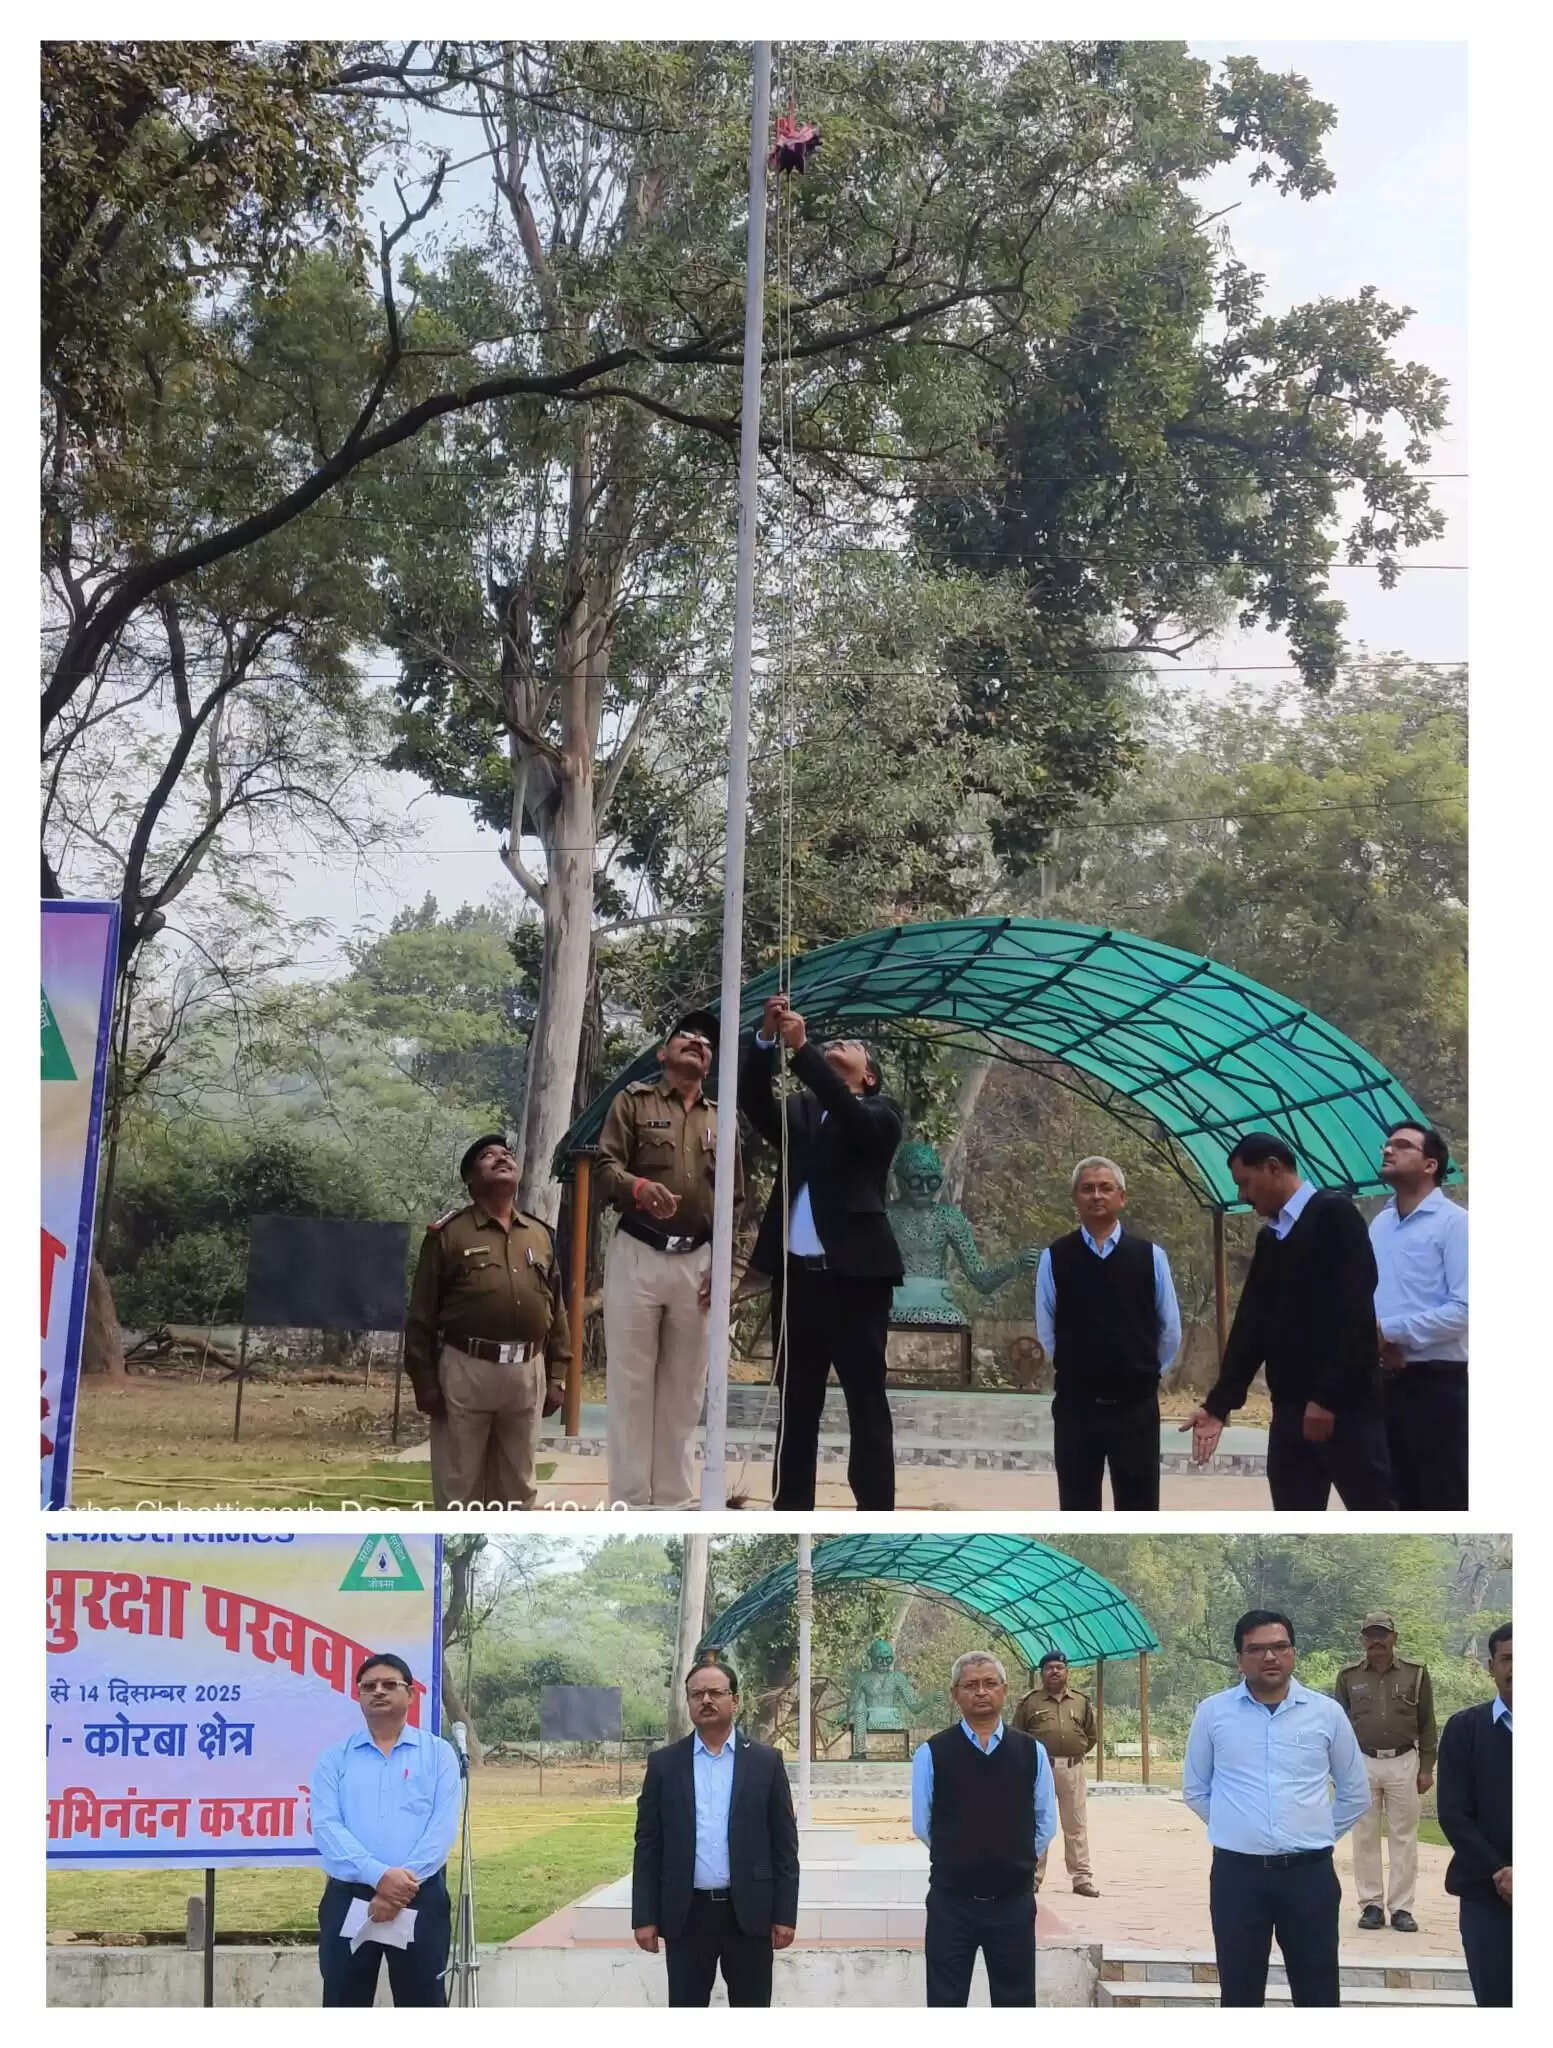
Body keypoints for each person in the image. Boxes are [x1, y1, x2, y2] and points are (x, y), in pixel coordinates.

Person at [739, 994, 904, 1509]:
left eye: (853, 1046)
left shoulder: (882, 1115)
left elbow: (852, 1119)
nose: (842, 1044)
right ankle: (791, 1507)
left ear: (869, 1077)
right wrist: (767, 1040)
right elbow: (754, 1101)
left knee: (866, 1399)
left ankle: (875, 1508)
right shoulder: (801, 1111)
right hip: (799, 1281)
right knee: (797, 1402)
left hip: (857, 1280)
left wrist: (804, 1049)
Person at [1181, 1132, 1395, 1510]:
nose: (1243, 1197)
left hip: (1345, 1408)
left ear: (1274, 1168)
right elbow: (1252, 1326)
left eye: (1245, 1183)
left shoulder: (1334, 1215)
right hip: (1290, 1409)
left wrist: (1326, 1399)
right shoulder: (1271, 1238)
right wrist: (1219, 1405)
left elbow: (1355, 1312)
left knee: (1374, 1508)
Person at [1183, 1609, 1370, 2006]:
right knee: (1239, 1992)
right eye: (1257, 1649)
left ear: (1293, 1653)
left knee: (1317, 1992)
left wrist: (1312, 1832)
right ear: (1239, 1659)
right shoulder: (1214, 1713)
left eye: (1280, 1647)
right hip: (1238, 1878)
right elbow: (1195, 1789)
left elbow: (1355, 1792)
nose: (1270, 1657)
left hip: (1309, 1877)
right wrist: (1241, 1827)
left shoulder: (1326, 1713)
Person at [595, 1010, 745, 1508]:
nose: (698, 1042)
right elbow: (605, 1165)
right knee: (632, 1384)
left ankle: (676, 1502)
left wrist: (727, 1268)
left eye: (706, 1041)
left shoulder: (722, 1118)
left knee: (685, 1390)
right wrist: (637, 1186)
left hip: (698, 1261)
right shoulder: (632, 1103)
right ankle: (631, 1501)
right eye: (687, 1036)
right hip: (638, 1252)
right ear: (662, 1053)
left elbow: (736, 1200)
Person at [404, 1133, 571, 1508]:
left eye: (507, 1154)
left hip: (527, 1373)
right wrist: (425, 1381)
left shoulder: (540, 1235)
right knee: (458, 1485)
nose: (501, 1158)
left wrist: (558, 1374)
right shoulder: (449, 1234)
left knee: (518, 1487)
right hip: (467, 1370)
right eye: (487, 1156)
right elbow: (421, 1315)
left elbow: (556, 1310)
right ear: (470, 1179)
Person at [631, 1658, 799, 2006]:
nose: (705, 1700)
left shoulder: (766, 1762)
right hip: (686, 1915)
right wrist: (644, 1917)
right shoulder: (665, 1765)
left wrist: (784, 1914)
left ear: (734, 1700)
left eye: (715, 1692)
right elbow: (648, 1845)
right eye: (696, 1694)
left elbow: (784, 1846)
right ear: (689, 1702)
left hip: (749, 1915)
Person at [309, 1653, 461, 2007]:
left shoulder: (439, 1755)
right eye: (369, 1686)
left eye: (390, 1684)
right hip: (348, 1897)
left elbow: (440, 1829)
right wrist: (380, 1877)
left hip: (420, 1896)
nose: (379, 1691)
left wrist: (398, 1889)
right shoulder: (335, 1759)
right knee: (344, 2002)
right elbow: (327, 1827)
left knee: (422, 2004)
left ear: (411, 1695)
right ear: (359, 1696)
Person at [911, 1651, 1057, 2007]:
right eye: (971, 1685)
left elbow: (1045, 1824)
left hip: (1012, 1903)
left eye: (990, 1683)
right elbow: (923, 1824)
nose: (981, 1692)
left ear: (1004, 1691)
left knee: (1015, 2001)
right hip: (952, 1903)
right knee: (946, 2001)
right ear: (954, 1694)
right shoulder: (932, 1753)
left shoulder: (1031, 1752)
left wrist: (1010, 1860)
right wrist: (963, 1856)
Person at [1035, 1156, 1181, 1510]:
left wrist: (1139, 1370)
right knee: (1077, 1504)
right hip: (1076, 1408)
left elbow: (1170, 1331)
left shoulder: (1151, 1257)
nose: (1096, 1195)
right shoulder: (1054, 1257)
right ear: (1075, 1198)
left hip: (1135, 1408)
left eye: (1105, 1188)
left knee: (1139, 1506)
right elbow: (1047, 1329)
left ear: (1121, 1198)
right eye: (1087, 1188)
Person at [1370, 1121, 1469, 1510]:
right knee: (1392, 1498)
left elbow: (1465, 1310)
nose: (1387, 1151)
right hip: (1383, 1380)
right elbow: (1368, 1297)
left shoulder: (1456, 1224)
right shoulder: (1379, 1225)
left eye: (1402, 1146)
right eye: (1386, 1145)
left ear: (1430, 1165)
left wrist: (1389, 1333)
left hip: (1437, 1387)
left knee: (1441, 1497)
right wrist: (1378, 1345)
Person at [1334, 1611, 1436, 1933]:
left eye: (1382, 1634)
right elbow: (1338, 1727)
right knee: (1364, 1836)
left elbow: (1427, 1724)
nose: (1376, 1641)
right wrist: (1340, 1769)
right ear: (1362, 1640)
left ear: (1394, 1637)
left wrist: (1427, 1768)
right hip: (1362, 1762)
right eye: (1369, 1635)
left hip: (1404, 1761)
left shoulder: (1415, 1675)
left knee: (1403, 1837)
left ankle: (1402, 1908)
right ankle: (1372, 1906)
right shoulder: (1348, 1677)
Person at [1437, 1621, 1512, 2006]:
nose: (1516, 1668)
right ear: (1491, 1666)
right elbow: (1452, 1812)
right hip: (1488, 1895)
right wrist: (1501, 1871)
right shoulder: (1465, 1729)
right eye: (1508, 1658)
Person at [1013, 1649, 1100, 1897]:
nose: (1054, 1671)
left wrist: (1075, 1753)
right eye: (1049, 1668)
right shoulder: (1030, 1702)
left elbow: (1091, 1735)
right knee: (1038, 1824)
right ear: (1042, 1673)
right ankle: (1032, 1878)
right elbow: (1017, 1737)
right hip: (1040, 1771)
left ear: (1066, 1672)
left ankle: (1081, 1878)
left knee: (1076, 1825)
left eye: (1059, 1668)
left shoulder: (1081, 1702)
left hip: (1072, 1769)